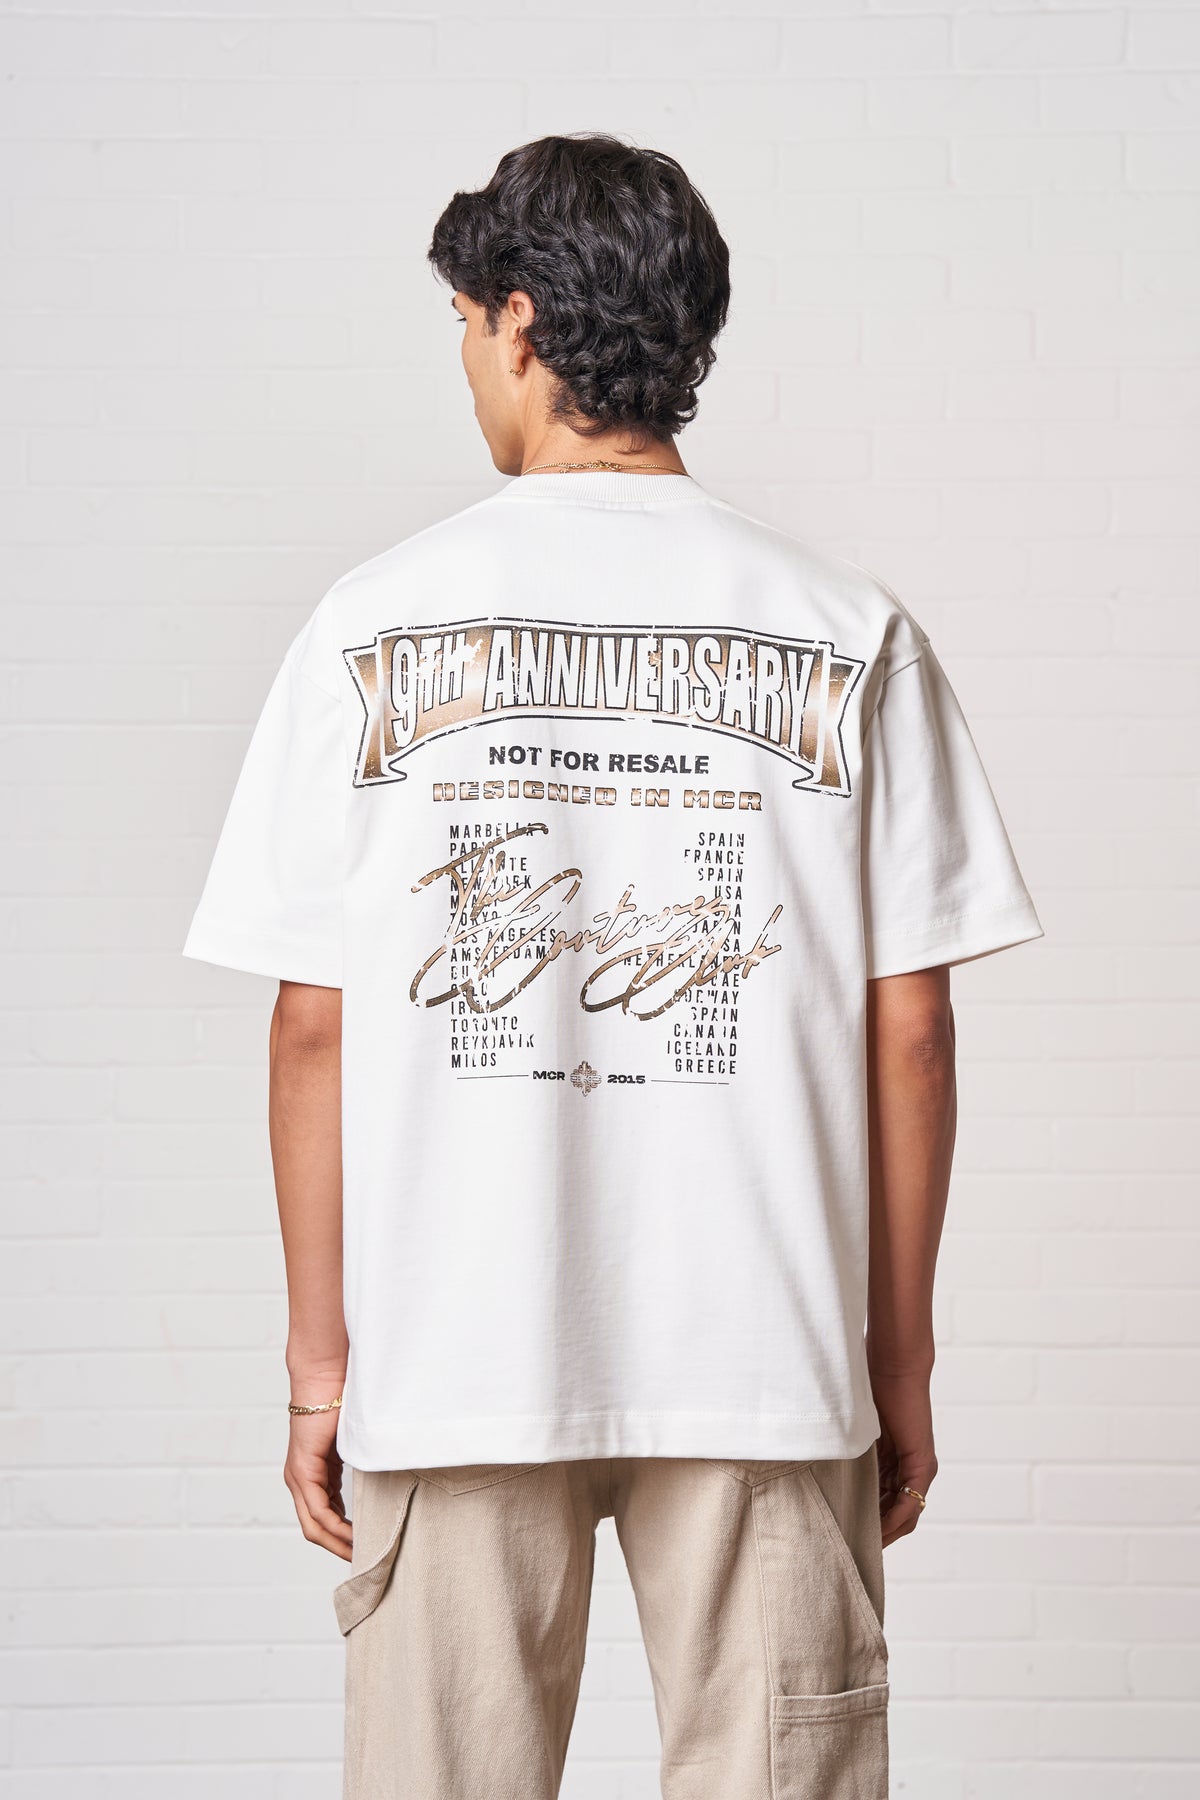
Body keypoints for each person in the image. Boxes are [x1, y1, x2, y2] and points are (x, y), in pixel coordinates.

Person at [182, 133, 1044, 1800]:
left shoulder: (368, 625)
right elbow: (914, 1036)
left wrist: (318, 1370)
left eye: (462, 324)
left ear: (518, 320)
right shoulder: (847, 627)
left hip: (453, 1353)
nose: (465, 361)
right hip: (769, 1357)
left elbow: (312, 1032)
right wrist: (898, 1360)